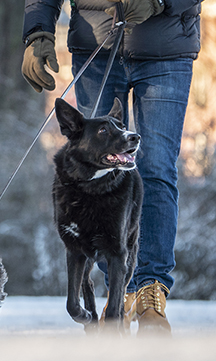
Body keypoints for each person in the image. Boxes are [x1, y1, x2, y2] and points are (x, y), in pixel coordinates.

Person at [21, 0, 202, 335]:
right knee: (98, 173)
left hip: (166, 47)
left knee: (156, 169)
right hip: (97, 42)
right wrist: (38, 29)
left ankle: (150, 293)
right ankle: (119, 296)